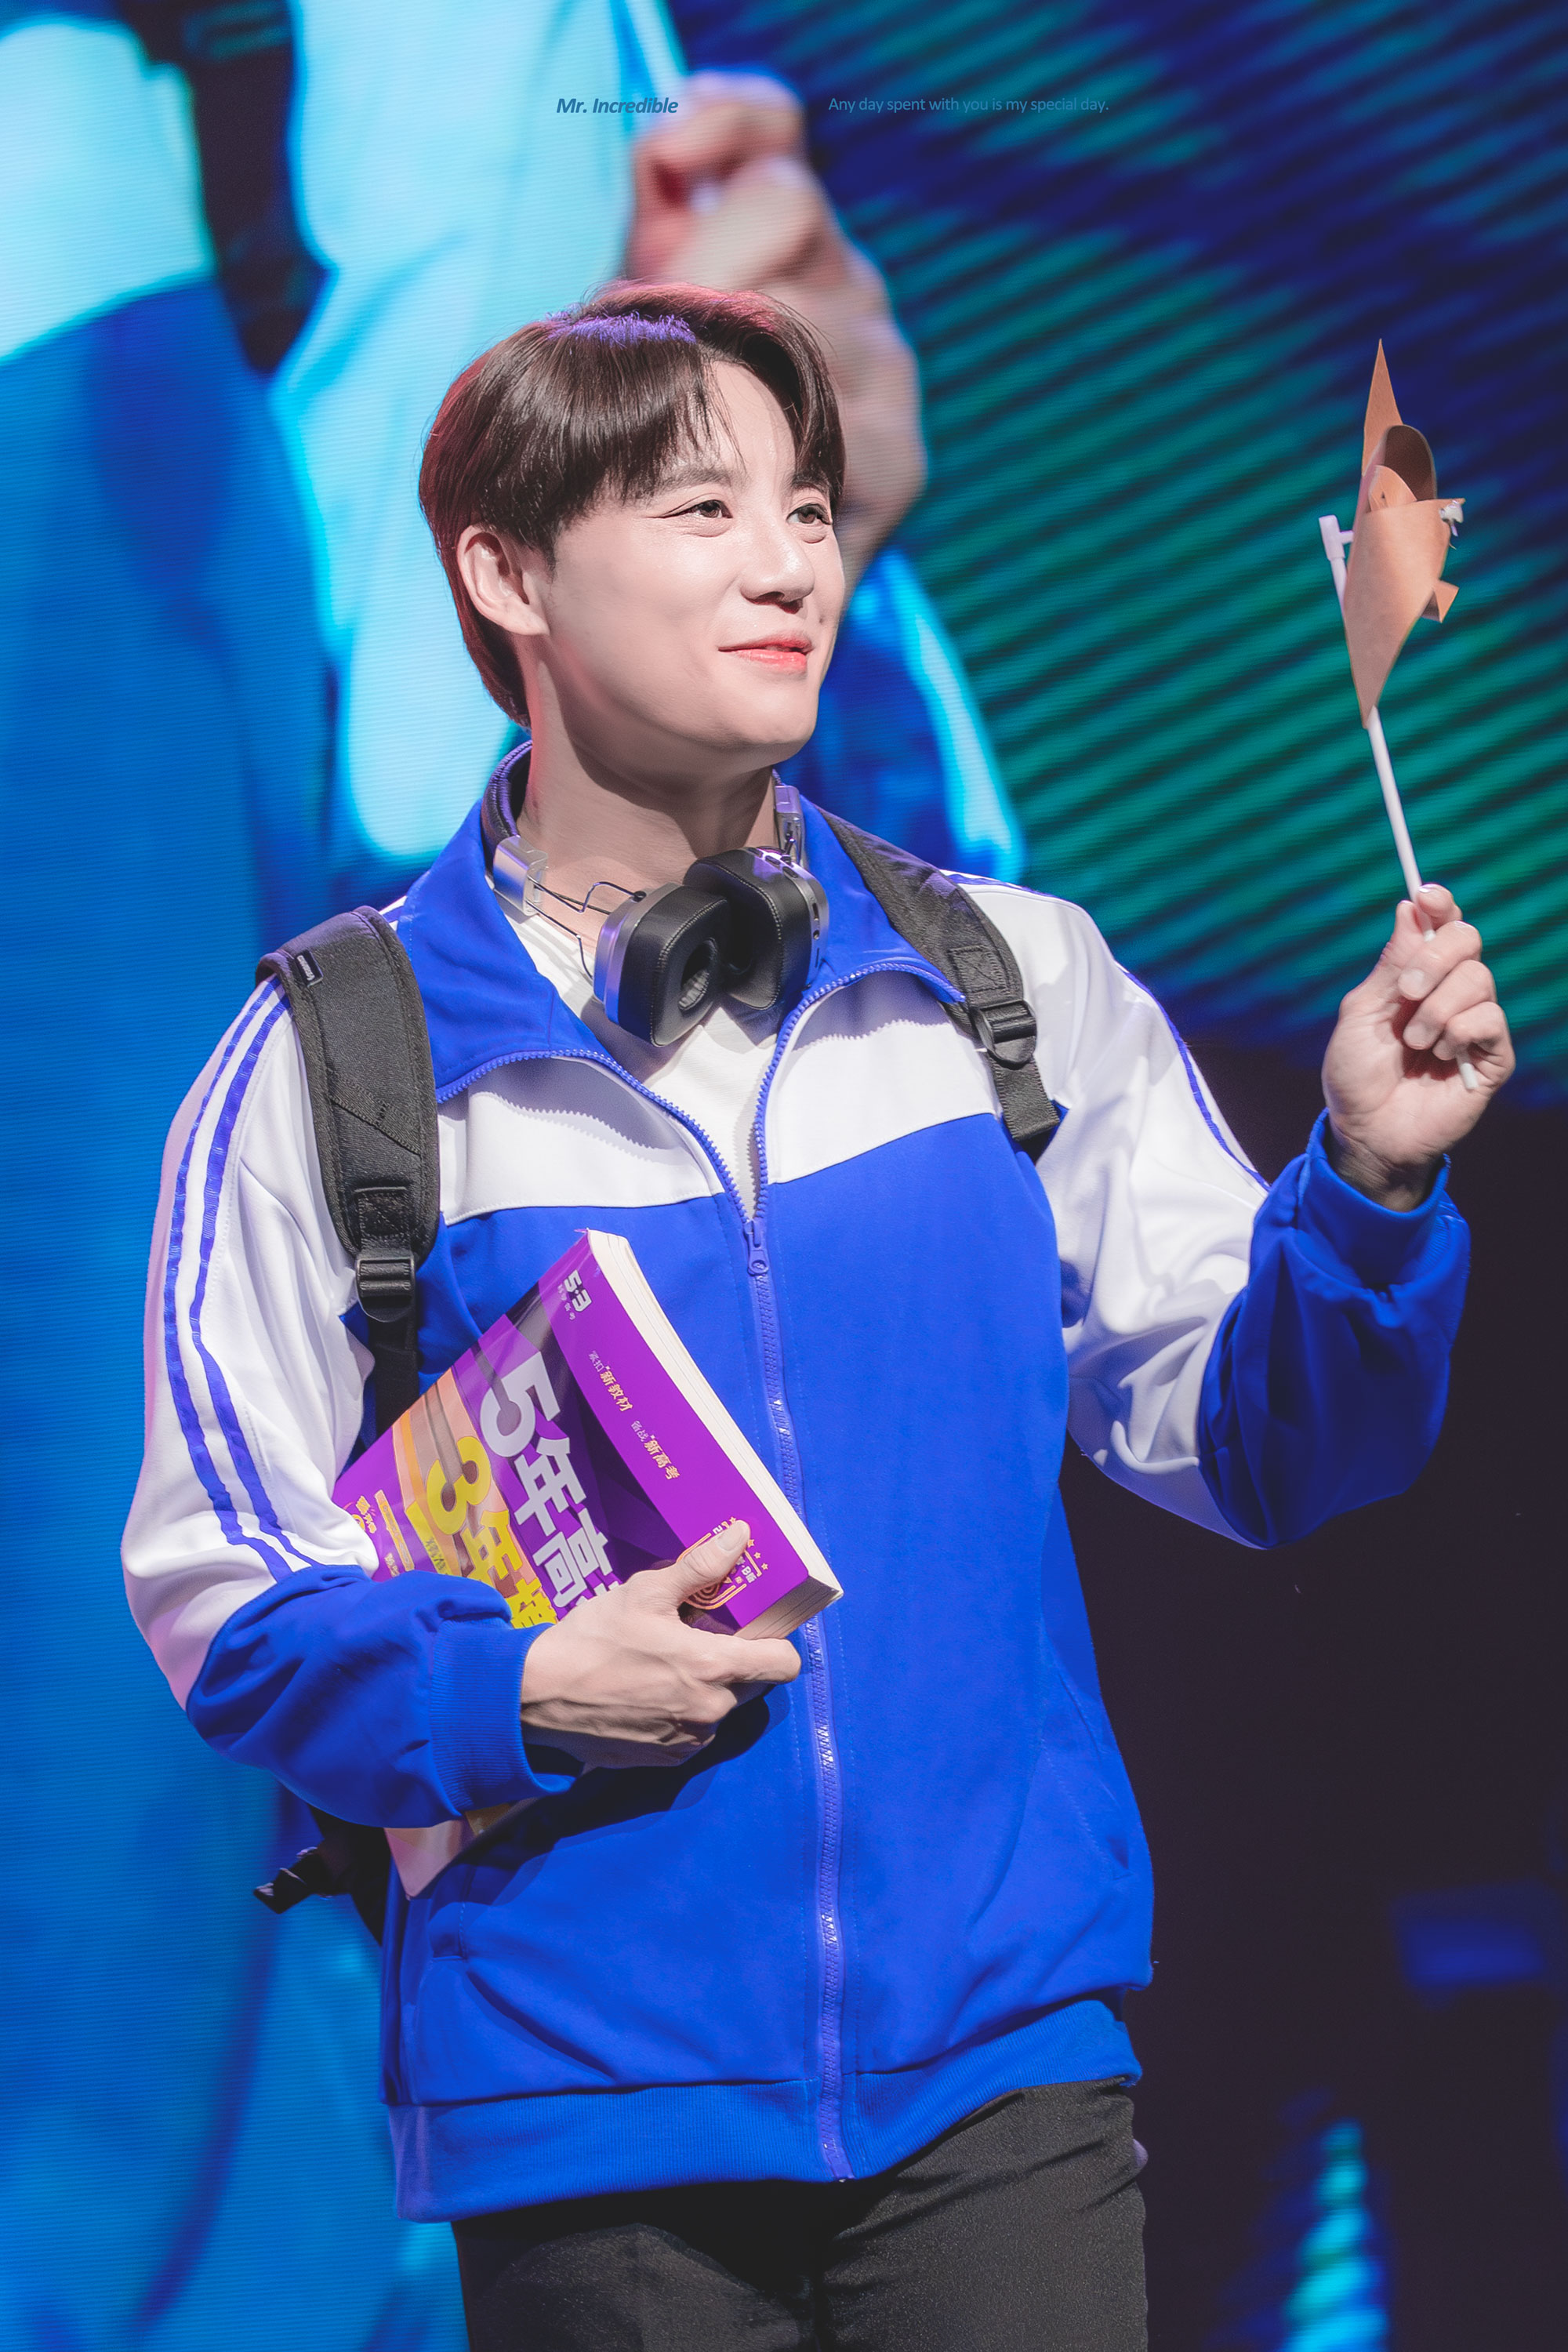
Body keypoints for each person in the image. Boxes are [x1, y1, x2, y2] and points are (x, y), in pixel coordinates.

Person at [123, 281, 1512, 2351]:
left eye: (804, 503)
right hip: (584, 2104)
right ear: (506, 574)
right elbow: (222, 1593)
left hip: (1006, 2076)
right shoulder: (338, 1062)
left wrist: (1372, 1193)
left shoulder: (1008, 983)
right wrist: (518, 1687)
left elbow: (1261, 1448)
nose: (789, 560)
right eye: (703, 509)